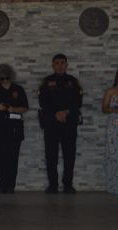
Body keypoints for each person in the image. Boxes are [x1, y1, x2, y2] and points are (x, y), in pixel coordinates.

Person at [39, 54, 83, 194]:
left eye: (62, 63)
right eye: (57, 63)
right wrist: (56, 114)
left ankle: (68, 185)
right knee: (51, 155)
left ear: (66, 65)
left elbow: (78, 102)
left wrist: (66, 112)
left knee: (69, 155)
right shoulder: (46, 82)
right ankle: (53, 185)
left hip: (69, 123)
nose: (60, 65)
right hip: (51, 123)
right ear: (53, 65)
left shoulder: (73, 81)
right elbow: (43, 102)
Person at [0, 64, 28, 194]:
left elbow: (25, 108)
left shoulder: (18, 89)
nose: (4, 80)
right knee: (1, 157)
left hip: (14, 129)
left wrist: (13, 109)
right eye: (2, 78)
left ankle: (11, 184)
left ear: (11, 77)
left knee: (13, 158)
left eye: (6, 78)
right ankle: (3, 183)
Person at [102, 69, 118, 195]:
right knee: (114, 155)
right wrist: (114, 110)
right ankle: (114, 185)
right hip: (114, 127)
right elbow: (104, 108)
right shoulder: (111, 91)